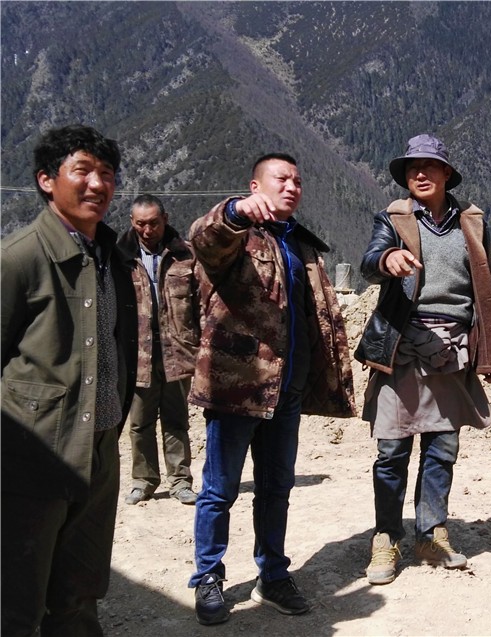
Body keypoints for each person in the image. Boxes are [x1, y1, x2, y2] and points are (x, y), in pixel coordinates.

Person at [187, 152, 356, 626]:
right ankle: (208, 576)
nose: (291, 187)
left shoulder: (300, 243)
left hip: (288, 390)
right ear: (255, 186)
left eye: (297, 181)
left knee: (276, 488)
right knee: (219, 489)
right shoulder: (238, 235)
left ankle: (273, 575)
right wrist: (235, 212)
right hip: (237, 389)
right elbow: (204, 238)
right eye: (281, 179)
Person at [1, 125, 138, 636]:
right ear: (46, 180)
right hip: (34, 453)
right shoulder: (18, 259)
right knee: (17, 600)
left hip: (98, 447)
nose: (98, 184)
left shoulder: (111, 258)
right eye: (82, 171)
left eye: (107, 174)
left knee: (80, 592)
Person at [355, 133, 491, 586]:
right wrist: (388, 258)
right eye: (412, 168)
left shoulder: (471, 222)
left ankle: (431, 533)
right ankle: (386, 536)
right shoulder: (393, 219)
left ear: (446, 174)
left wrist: (485, 349)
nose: (420, 174)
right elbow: (369, 261)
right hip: (404, 343)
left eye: (429, 166)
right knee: (392, 448)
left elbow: (485, 286)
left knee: (442, 446)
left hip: (453, 347)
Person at [117, 194, 200, 506]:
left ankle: (180, 481)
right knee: (140, 422)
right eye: (141, 224)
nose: (147, 230)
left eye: (153, 223)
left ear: (165, 219)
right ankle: (144, 481)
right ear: (132, 222)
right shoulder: (119, 258)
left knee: (176, 420)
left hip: (177, 350)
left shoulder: (186, 255)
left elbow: (200, 303)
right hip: (137, 353)